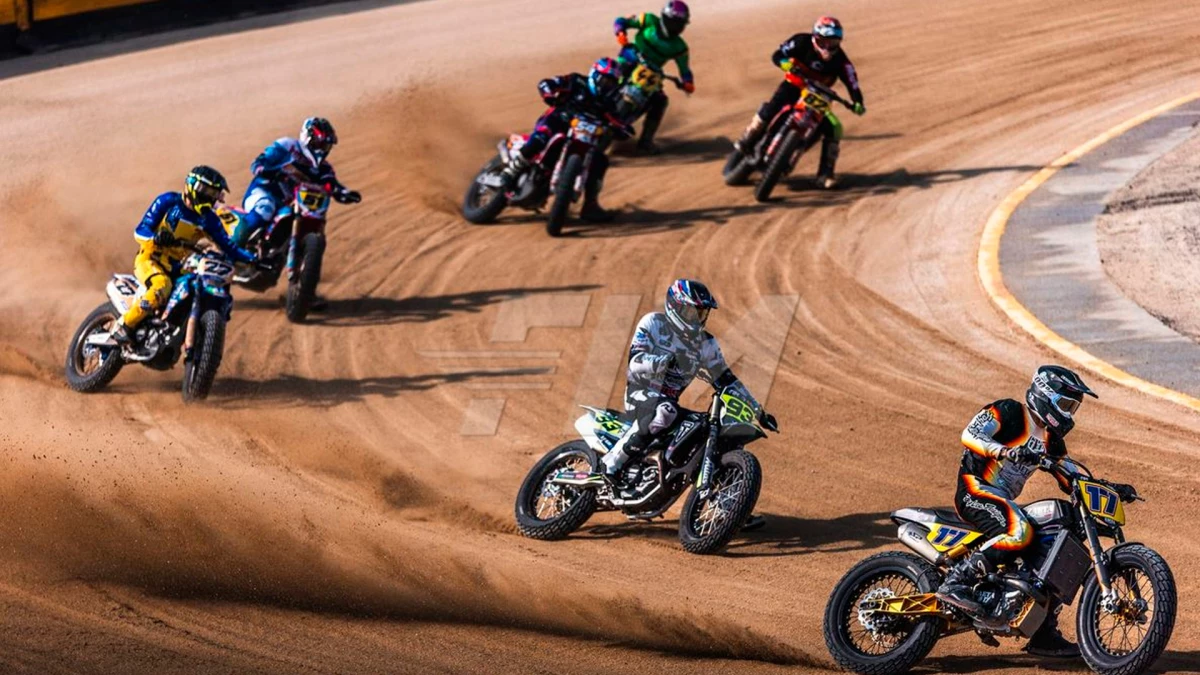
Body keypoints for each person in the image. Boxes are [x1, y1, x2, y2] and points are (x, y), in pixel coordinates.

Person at [936, 365, 1128, 658]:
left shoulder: (1052, 440)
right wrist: (1005, 451)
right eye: (1066, 405)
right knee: (1020, 531)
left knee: (1054, 550)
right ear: (1046, 395)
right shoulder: (1010, 411)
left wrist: (1109, 487)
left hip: (1003, 500)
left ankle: (1042, 633)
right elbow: (971, 434)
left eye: (1073, 408)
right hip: (975, 490)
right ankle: (957, 582)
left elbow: (1071, 475)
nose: (1069, 414)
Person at [599, 279, 778, 484]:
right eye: (692, 312)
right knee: (665, 411)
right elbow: (635, 363)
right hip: (639, 393)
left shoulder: (706, 343)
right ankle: (611, 463)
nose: (697, 319)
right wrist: (665, 361)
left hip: (670, 404)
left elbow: (727, 380)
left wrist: (758, 412)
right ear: (675, 307)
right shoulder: (654, 323)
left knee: (702, 426)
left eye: (701, 313)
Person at [111, 166, 256, 347]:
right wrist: (155, 238)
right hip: (150, 258)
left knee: (196, 285)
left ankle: (171, 329)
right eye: (206, 191)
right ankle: (125, 326)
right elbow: (140, 231)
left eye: (214, 193)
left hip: (177, 265)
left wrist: (252, 258)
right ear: (193, 186)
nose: (210, 197)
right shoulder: (168, 201)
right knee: (161, 286)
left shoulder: (209, 219)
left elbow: (228, 246)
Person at [733, 16, 865, 188]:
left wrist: (857, 102)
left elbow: (853, 84)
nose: (827, 47)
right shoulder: (801, 41)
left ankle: (825, 175)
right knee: (772, 107)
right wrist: (784, 63)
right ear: (815, 37)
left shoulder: (842, 61)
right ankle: (749, 137)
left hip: (818, 96)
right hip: (794, 85)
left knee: (834, 128)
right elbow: (778, 55)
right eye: (823, 42)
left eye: (832, 43)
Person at [500, 57, 633, 222]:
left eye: (611, 84)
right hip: (558, 121)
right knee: (542, 137)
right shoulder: (576, 81)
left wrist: (623, 129)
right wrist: (549, 92)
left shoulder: (609, 103)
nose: (606, 86)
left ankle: (590, 205)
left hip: (584, 136)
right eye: (604, 81)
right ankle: (510, 172)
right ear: (595, 75)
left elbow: (619, 121)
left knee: (600, 160)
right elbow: (547, 84)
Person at [234, 117, 361, 247]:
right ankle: (233, 247)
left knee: (313, 223)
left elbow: (331, 183)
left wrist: (344, 193)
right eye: (319, 144)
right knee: (265, 208)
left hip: (291, 205)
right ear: (308, 137)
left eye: (325, 146)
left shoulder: (323, 168)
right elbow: (260, 162)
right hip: (263, 192)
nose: (322, 150)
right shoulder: (288, 146)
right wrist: (265, 170)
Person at [613, 1, 694, 153]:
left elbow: (685, 70)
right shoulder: (648, 20)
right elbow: (621, 21)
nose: (678, 27)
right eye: (675, 23)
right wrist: (620, 32)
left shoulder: (680, 47)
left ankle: (646, 141)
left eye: (681, 24)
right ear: (665, 18)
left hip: (652, 74)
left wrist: (688, 83)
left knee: (660, 101)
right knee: (607, 76)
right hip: (629, 60)